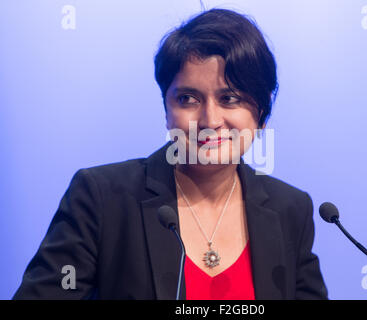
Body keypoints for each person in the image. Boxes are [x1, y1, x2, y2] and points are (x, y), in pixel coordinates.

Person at [13, 8, 328, 300]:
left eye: (229, 99)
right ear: (167, 109)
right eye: (188, 99)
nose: (210, 121)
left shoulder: (291, 210)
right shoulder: (101, 198)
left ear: (260, 113)